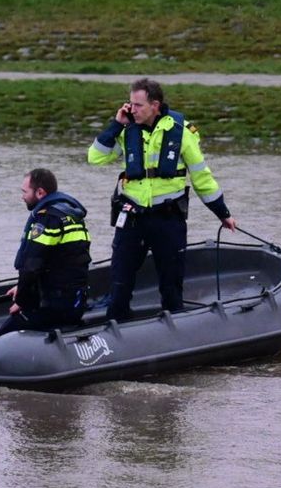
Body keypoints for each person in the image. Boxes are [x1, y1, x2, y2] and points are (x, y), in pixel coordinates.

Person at [88, 78, 236, 320]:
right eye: (130, 103)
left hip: (167, 220)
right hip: (132, 219)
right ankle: (116, 328)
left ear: (155, 105)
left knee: (171, 284)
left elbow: (202, 178)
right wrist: (115, 125)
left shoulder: (182, 133)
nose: (131, 109)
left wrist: (223, 213)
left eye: (137, 105)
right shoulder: (126, 129)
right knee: (119, 282)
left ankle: (175, 330)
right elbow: (95, 157)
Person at [0, 168, 92, 337]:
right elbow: (58, 262)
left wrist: (22, 302)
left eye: (25, 192)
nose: (22, 197)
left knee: (4, 333)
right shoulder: (70, 214)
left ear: (40, 192)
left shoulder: (47, 219)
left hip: (56, 306)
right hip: (74, 301)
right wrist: (21, 287)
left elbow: (31, 267)